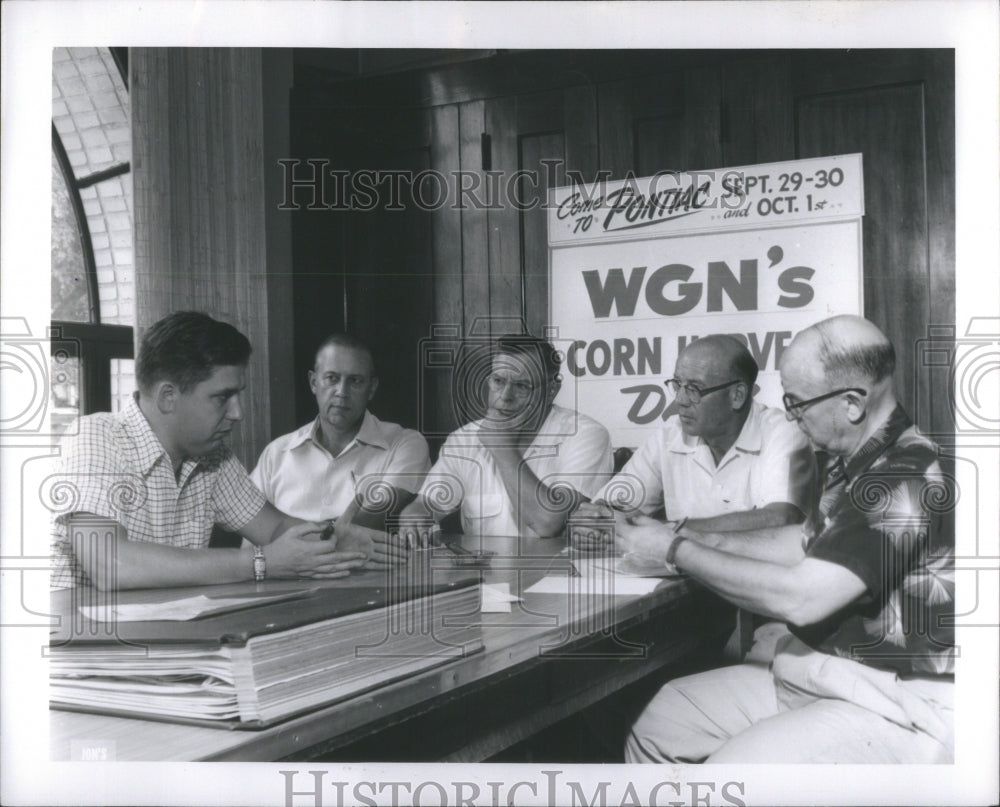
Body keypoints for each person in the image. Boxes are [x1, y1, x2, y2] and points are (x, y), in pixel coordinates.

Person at [621, 315, 955, 763]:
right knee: (661, 723)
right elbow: (804, 541)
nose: (793, 421)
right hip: (825, 669)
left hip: (891, 697)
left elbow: (803, 599)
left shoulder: (902, 475)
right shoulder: (856, 456)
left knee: (730, 775)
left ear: (852, 402)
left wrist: (674, 551)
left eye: (798, 405)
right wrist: (681, 535)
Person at [49, 311, 367, 590]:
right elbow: (111, 565)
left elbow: (275, 529)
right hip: (78, 644)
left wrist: (334, 540)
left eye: (238, 395)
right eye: (222, 398)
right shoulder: (94, 437)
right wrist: (261, 563)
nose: (238, 412)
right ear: (168, 397)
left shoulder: (213, 456)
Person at [571, 334, 815, 546]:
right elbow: (609, 506)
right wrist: (594, 521)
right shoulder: (669, 437)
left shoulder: (783, 432)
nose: (680, 400)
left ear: (737, 395)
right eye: (677, 385)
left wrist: (665, 531)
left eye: (694, 389)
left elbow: (782, 518)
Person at [399, 334, 613, 541]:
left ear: (551, 390)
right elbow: (426, 504)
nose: (504, 396)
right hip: (484, 574)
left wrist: (501, 447)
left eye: (522, 386)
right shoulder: (463, 439)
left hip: (558, 574)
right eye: (498, 381)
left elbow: (548, 522)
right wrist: (416, 515)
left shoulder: (585, 435)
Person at [250, 333, 430, 566]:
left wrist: (293, 540)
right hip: (284, 583)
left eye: (355, 381)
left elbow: (371, 518)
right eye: (332, 378)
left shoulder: (404, 444)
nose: (341, 392)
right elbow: (250, 540)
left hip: (364, 585)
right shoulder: (277, 453)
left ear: (372, 388)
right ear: (314, 382)